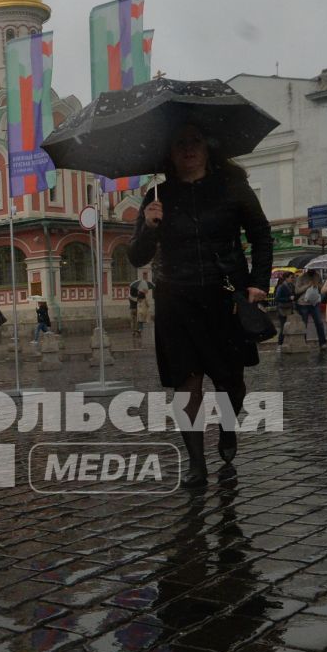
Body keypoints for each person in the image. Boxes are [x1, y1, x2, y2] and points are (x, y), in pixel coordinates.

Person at [129, 122, 274, 483]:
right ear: (171, 153)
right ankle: (196, 461)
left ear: (208, 149)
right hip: (176, 298)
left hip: (223, 296)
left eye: (195, 142)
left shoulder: (232, 187)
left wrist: (257, 283)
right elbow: (136, 256)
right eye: (180, 143)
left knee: (230, 382)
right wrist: (149, 227)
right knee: (186, 382)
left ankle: (228, 426)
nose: (188, 149)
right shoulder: (157, 195)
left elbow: (261, 235)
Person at [295, 270, 327, 347]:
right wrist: (308, 285)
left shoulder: (317, 276)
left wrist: (317, 285)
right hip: (303, 303)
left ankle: (323, 343)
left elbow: (322, 289)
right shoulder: (301, 277)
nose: (312, 270)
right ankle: (303, 343)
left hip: (315, 303)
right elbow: (297, 291)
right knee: (304, 324)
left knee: (319, 323)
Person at [271, 273, 297, 346]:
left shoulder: (291, 286)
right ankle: (280, 343)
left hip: (289, 308)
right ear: (286, 278)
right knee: (283, 327)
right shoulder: (282, 286)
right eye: (291, 277)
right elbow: (277, 298)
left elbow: (294, 295)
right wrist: (288, 299)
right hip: (282, 309)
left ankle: (287, 342)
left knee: (288, 326)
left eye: (293, 278)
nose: (293, 279)